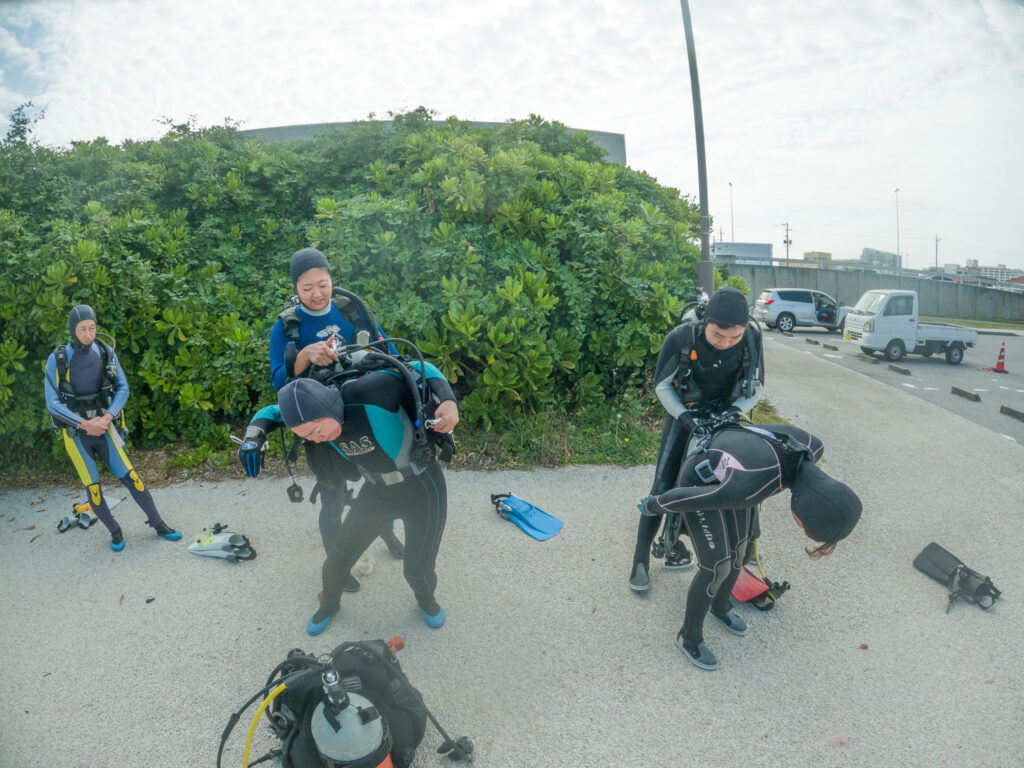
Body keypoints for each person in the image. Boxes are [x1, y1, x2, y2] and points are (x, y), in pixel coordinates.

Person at [242, 345, 459, 635]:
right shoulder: (307, 416)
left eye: (317, 429)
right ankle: (329, 605)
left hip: (423, 488)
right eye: (307, 436)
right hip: (377, 493)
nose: (317, 439)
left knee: (416, 571)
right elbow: (270, 412)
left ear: (325, 407)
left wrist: (448, 401)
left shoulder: (370, 391)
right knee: (335, 564)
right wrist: (253, 437)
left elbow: (420, 368)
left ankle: (426, 601)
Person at [639, 420, 862, 670]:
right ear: (802, 507)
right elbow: (699, 498)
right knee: (717, 566)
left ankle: (720, 606)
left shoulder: (812, 447)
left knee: (740, 552)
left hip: (738, 476)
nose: (803, 530)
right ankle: (688, 636)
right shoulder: (753, 485)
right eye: (806, 529)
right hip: (700, 481)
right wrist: (655, 504)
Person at [266, 247, 405, 587]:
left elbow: (393, 354)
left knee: (381, 485)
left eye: (323, 284)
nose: (316, 293)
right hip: (322, 429)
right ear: (295, 289)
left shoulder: (352, 312)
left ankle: (385, 534)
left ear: (332, 280)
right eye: (306, 287)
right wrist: (302, 358)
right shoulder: (287, 328)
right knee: (333, 498)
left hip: (363, 418)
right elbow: (281, 387)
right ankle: (337, 566)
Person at [630, 287, 764, 590]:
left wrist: (734, 411)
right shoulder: (682, 337)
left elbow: (757, 386)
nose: (726, 343)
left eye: (734, 338)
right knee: (664, 486)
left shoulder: (753, 338)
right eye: (718, 335)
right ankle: (640, 561)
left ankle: (743, 552)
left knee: (741, 485)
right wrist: (684, 417)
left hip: (727, 416)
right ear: (706, 322)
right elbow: (662, 385)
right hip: (684, 415)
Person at [44, 305, 181, 551]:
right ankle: (115, 532)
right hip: (77, 434)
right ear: (72, 330)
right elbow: (52, 403)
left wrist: (107, 418)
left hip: (104, 427)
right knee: (93, 487)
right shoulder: (58, 359)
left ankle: (158, 523)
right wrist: (84, 424)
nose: (88, 334)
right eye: (82, 329)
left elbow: (123, 388)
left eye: (92, 328)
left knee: (132, 477)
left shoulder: (105, 351)